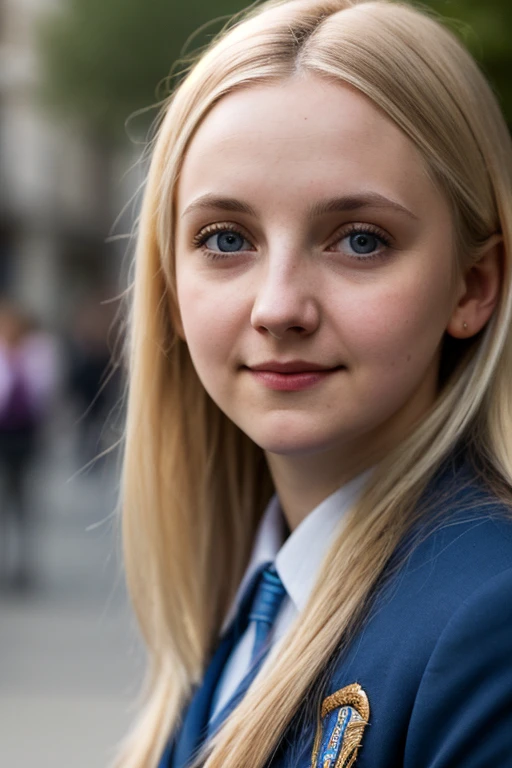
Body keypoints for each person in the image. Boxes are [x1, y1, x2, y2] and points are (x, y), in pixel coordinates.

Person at [115, 1, 512, 766]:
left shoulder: (489, 620)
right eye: (225, 238)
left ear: (473, 284)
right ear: (169, 279)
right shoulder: (246, 602)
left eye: (360, 240)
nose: (278, 308)